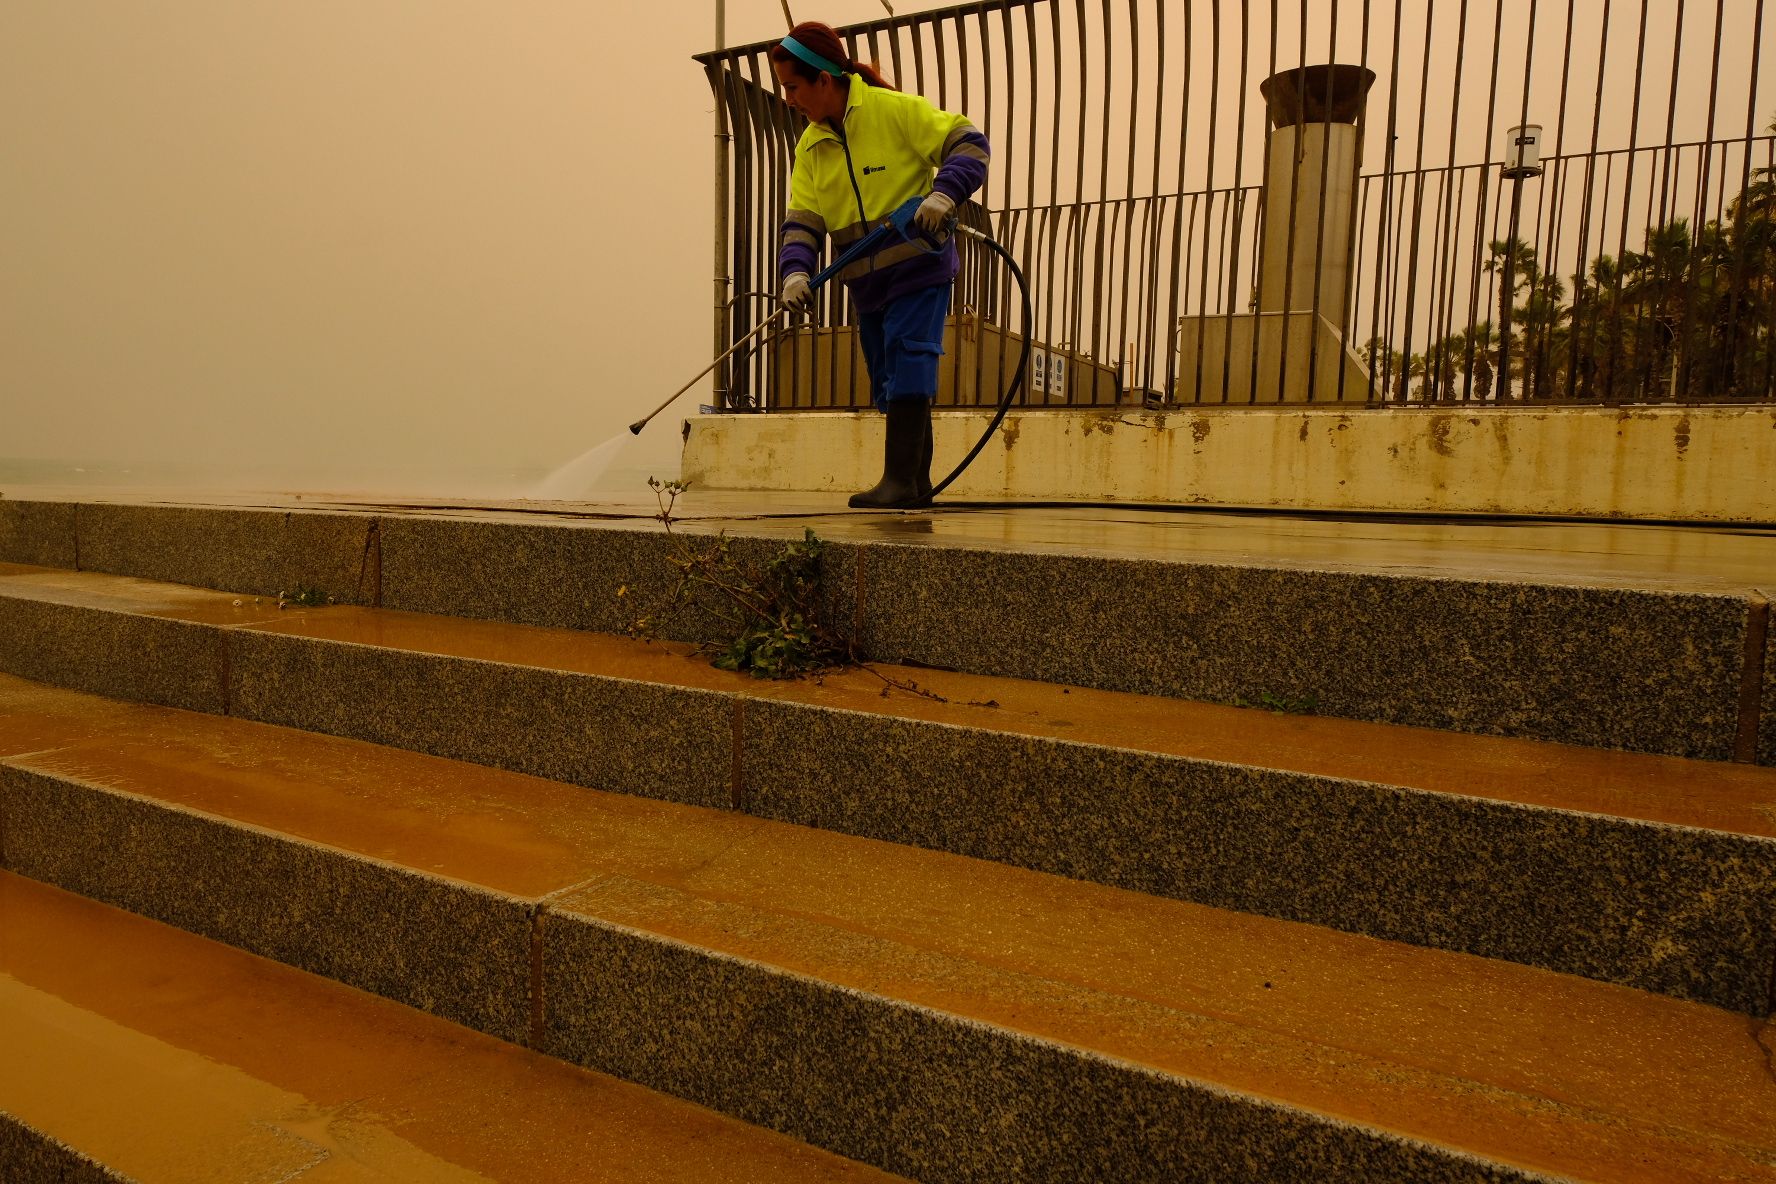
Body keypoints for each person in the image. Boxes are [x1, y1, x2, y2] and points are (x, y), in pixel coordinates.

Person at [771, 22, 990, 508]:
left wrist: (944, 192)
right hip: (865, 284)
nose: (788, 99)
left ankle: (897, 482)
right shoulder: (809, 148)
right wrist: (795, 272)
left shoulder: (893, 112)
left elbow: (970, 142)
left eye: (792, 87)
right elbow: (803, 221)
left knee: (910, 358)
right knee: (888, 377)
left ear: (824, 80)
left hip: (918, 267)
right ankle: (915, 484)